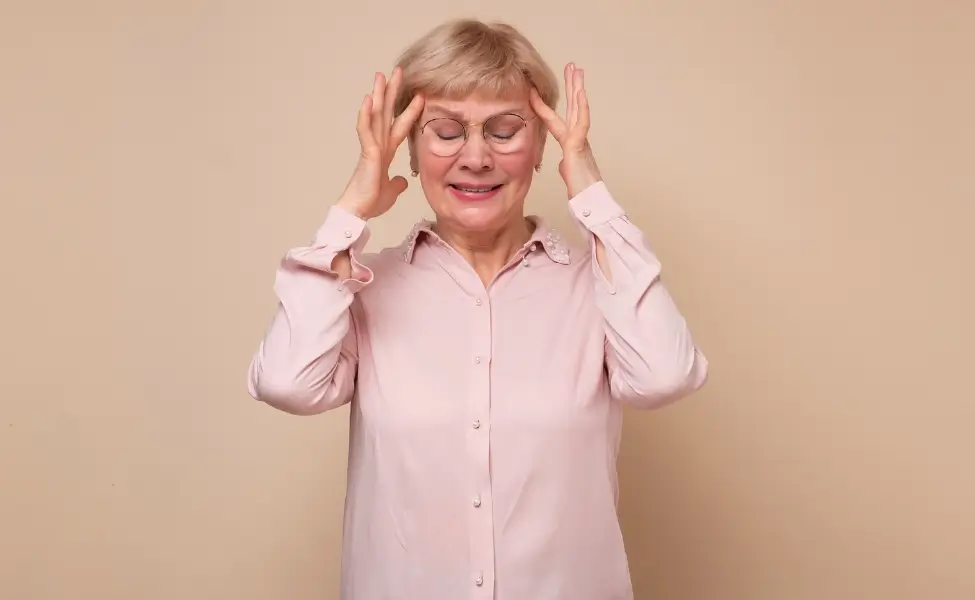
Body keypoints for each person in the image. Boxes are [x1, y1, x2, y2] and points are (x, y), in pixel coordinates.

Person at [247, 18, 708, 600]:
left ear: (541, 146)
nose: (476, 156)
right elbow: (287, 383)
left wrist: (590, 189)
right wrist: (351, 210)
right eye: (445, 131)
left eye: (505, 130)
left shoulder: (600, 286)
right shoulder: (361, 288)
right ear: (410, 150)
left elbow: (664, 377)